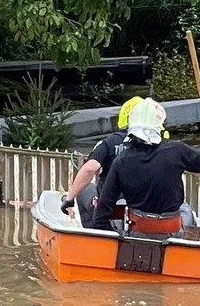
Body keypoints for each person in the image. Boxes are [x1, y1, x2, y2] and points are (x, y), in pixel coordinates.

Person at [92, 97, 200, 239]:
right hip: (172, 235)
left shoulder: (121, 161)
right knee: (187, 212)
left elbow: (101, 213)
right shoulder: (176, 151)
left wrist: (116, 240)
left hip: (137, 234)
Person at [60, 96, 143, 227]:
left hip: (110, 207)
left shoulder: (109, 142)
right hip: (145, 208)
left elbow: (89, 169)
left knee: (85, 188)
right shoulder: (158, 147)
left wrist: (69, 199)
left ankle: (93, 233)